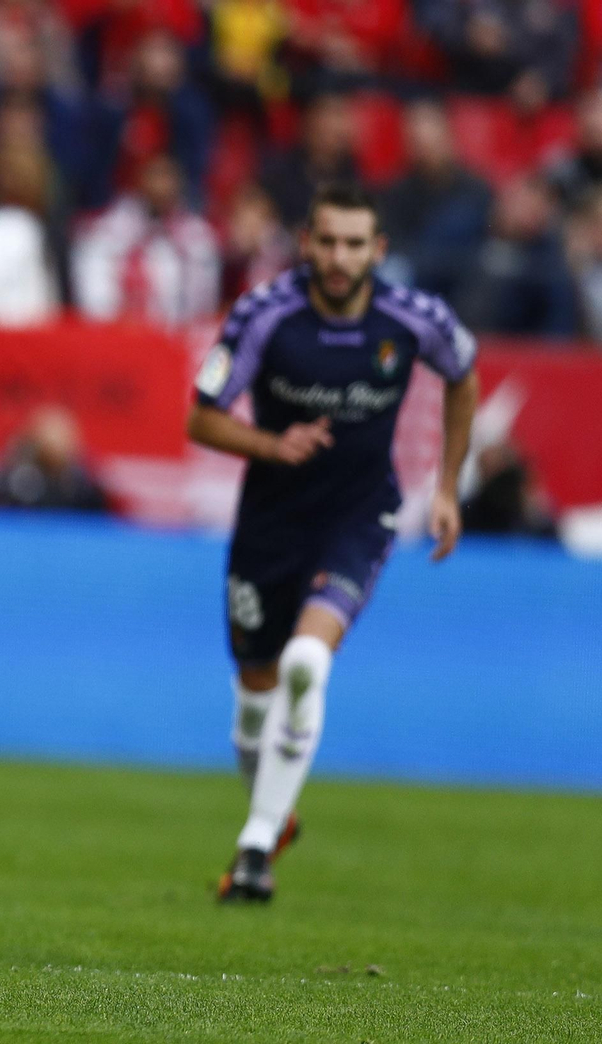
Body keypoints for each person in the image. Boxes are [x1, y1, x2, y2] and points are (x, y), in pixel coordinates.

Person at [187, 183, 478, 902]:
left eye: (356, 244)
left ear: (378, 251)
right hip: (271, 521)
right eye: (328, 242)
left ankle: (255, 848)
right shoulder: (265, 314)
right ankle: (272, 815)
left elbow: (463, 375)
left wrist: (446, 486)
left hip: (358, 516)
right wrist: (269, 442)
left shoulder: (413, 318)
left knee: (307, 661)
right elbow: (202, 418)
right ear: (306, 243)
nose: (341, 257)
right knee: (255, 695)